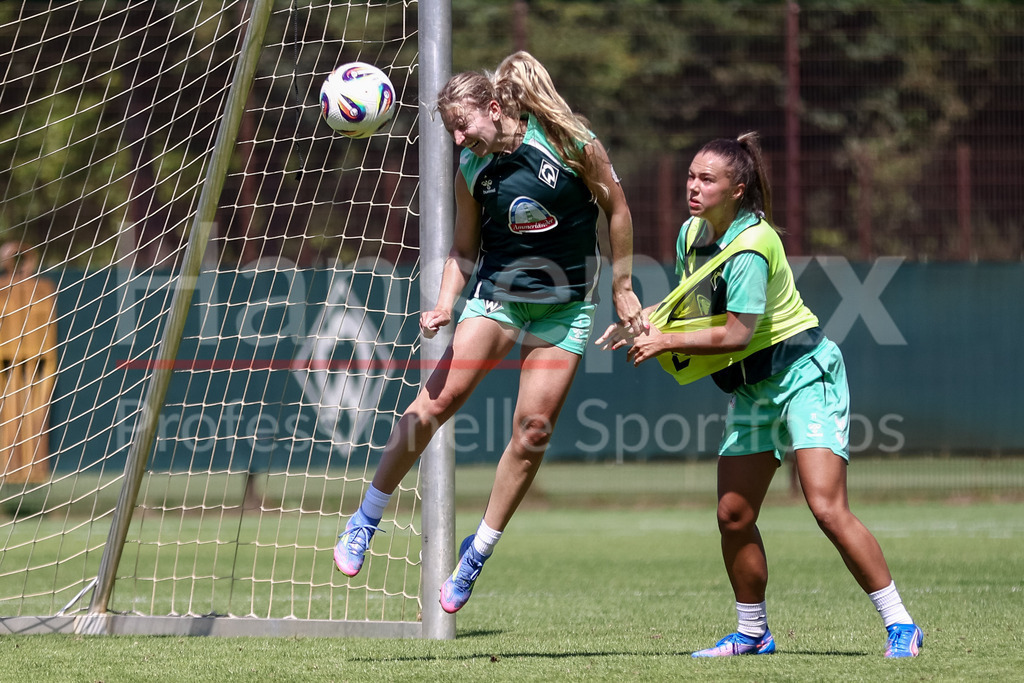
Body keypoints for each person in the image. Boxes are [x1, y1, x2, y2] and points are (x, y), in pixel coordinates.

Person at [333, 51, 647, 614]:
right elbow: (463, 249)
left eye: (463, 125)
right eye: (451, 129)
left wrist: (623, 288)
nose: (458, 138)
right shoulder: (472, 170)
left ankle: (475, 555)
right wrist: (444, 305)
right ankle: (365, 518)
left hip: (566, 308)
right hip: (498, 297)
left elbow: (617, 210)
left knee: (532, 431)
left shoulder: (570, 142)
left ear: (495, 107)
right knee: (437, 401)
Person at [596, 132, 922, 658]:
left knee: (825, 506)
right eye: (690, 176)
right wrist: (641, 322)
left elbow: (735, 334)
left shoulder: (753, 244)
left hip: (804, 373)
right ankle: (753, 633)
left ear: (738, 188)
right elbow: (698, 311)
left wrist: (666, 341)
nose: (693, 187)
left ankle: (901, 624)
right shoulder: (692, 235)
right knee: (733, 514)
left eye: (707, 179)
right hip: (753, 388)